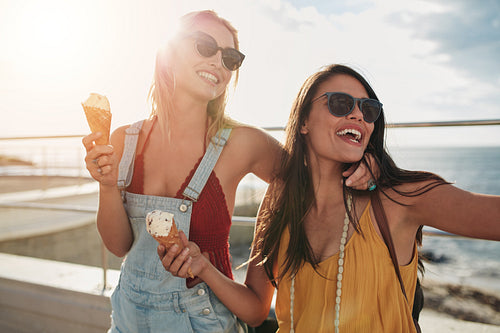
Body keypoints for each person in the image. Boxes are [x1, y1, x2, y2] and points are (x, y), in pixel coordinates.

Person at [82, 10, 374, 333]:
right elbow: (119, 246)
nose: (218, 63)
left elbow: (313, 175)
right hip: (127, 322)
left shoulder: (242, 143)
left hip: (204, 324)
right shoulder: (125, 139)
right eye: (205, 46)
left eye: (230, 57)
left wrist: (368, 166)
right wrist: (107, 186)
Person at [160, 64, 500, 332]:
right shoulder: (281, 200)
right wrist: (203, 267)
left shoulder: (399, 199)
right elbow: (255, 309)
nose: (357, 116)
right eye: (341, 104)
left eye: (369, 110)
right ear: (304, 120)